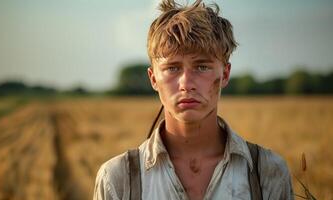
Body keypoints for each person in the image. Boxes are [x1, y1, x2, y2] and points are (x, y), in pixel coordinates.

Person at [93, 0, 294, 199]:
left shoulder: (268, 173)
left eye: (202, 67)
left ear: (224, 74)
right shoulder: (117, 180)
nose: (186, 84)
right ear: (154, 79)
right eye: (172, 68)